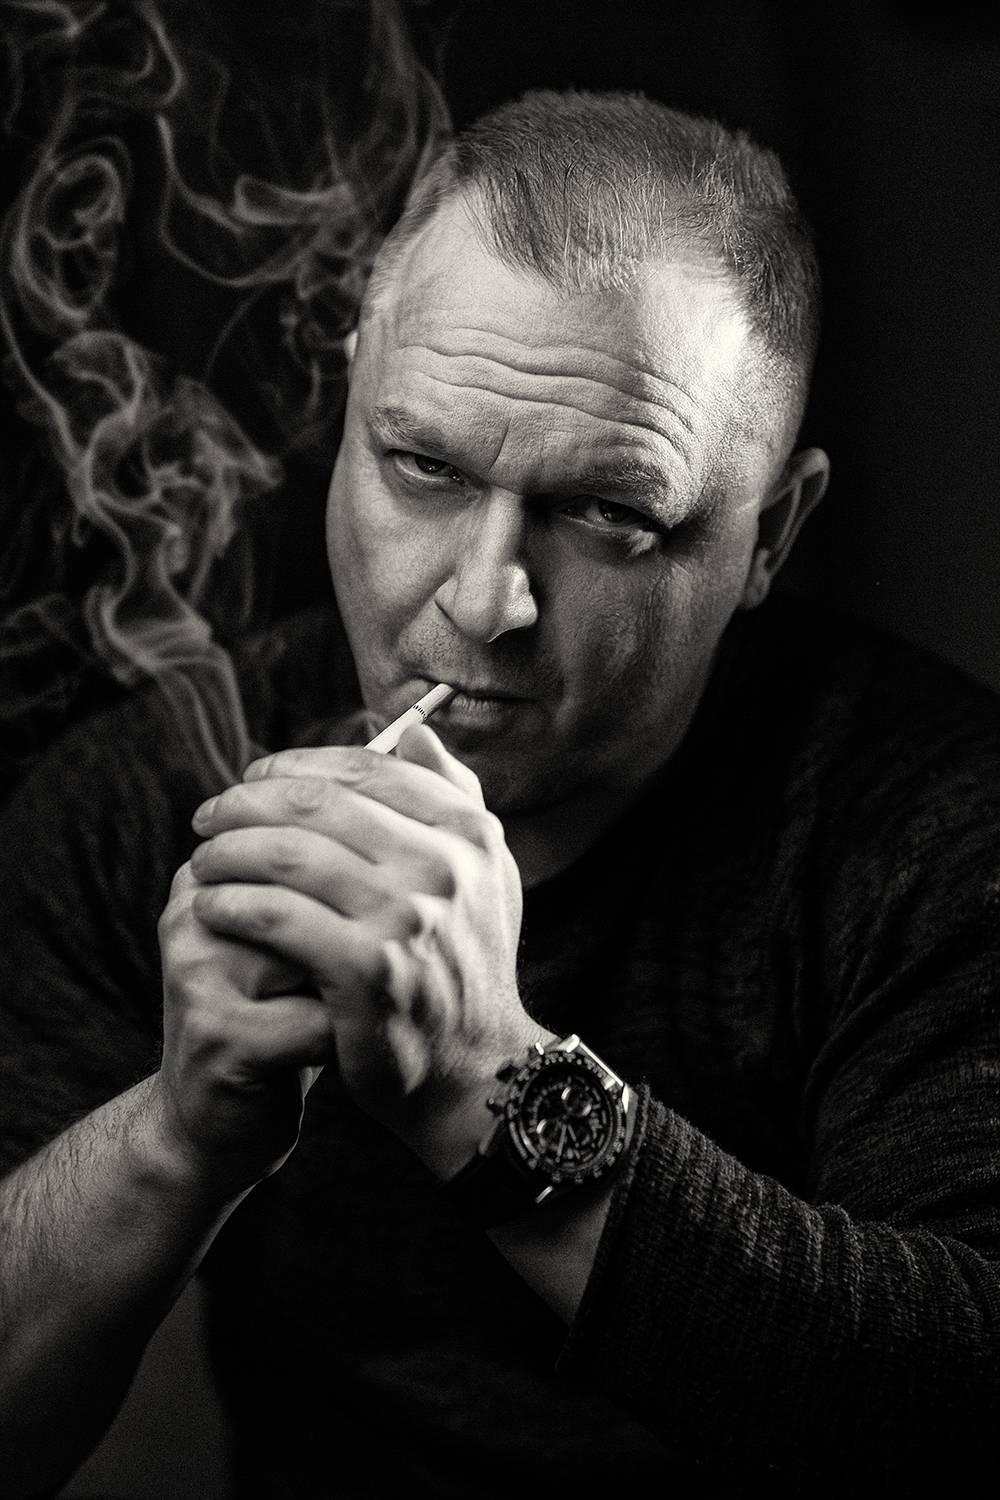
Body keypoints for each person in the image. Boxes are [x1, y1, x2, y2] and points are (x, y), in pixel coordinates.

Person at [2, 89, 999, 1496]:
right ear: (354, 401)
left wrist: (485, 1076)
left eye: (609, 513)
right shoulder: (147, 796)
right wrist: (174, 1138)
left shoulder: (940, 831)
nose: (482, 602)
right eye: (422, 464)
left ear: (771, 535)